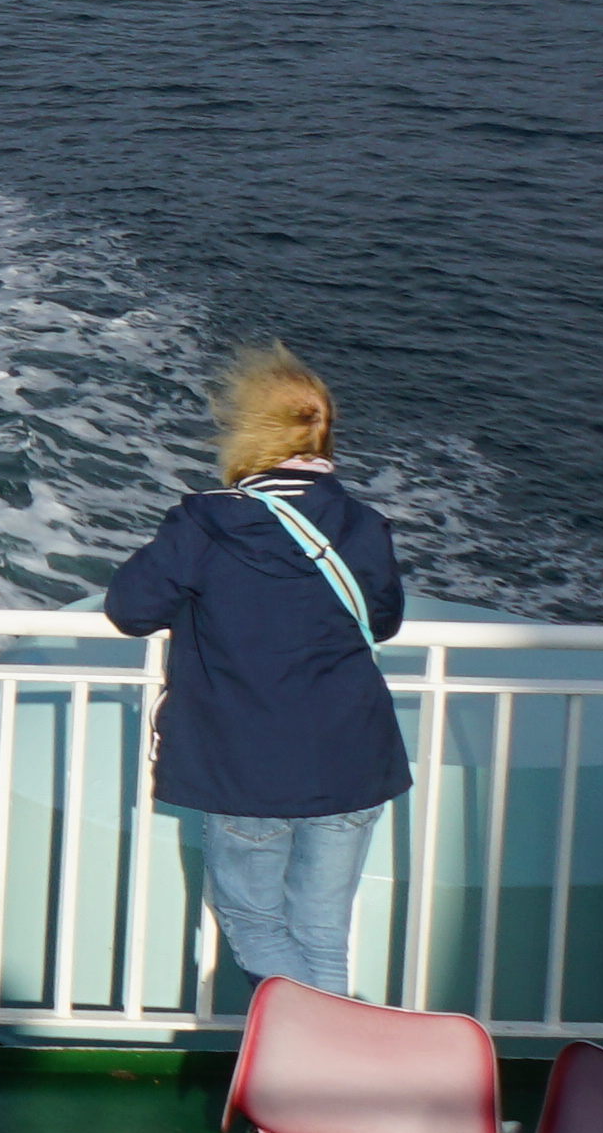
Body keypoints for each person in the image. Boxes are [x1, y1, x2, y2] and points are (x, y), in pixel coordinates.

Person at [107, 346, 409, 1003]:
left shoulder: (207, 522)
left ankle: (319, 1066)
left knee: (254, 923)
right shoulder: (363, 525)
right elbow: (382, 622)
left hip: (248, 768)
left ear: (250, 432)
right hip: (354, 759)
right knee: (323, 933)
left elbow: (129, 610)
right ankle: (327, 1089)